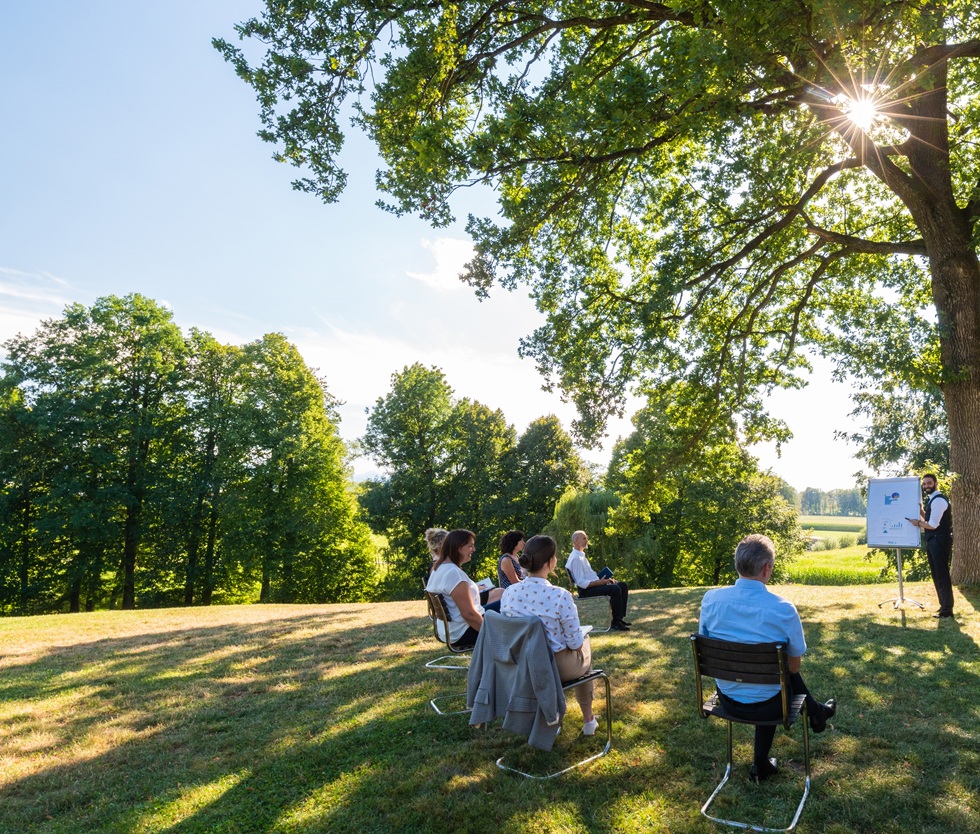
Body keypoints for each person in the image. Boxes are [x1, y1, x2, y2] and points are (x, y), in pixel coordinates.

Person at [699, 534, 837, 782]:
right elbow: (794, 667)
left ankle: (816, 713)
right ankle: (815, 714)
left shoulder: (711, 599)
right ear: (766, 568)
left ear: (737, 565)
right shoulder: (783, 608)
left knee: (772, 677)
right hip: (772, 705)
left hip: (727, 698)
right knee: (779, 677)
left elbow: (706, 644)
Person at [501, 535, 599, 735]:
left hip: (519, 666)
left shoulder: (509, 593)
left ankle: (549, 717)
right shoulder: (560, 595)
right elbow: (574, 642)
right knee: (585, 643)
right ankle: (588, 720)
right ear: (551, 562)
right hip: (554, 667)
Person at [425, 529, 503, 648]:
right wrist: (493, 634)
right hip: (463, 632)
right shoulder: (453, 573)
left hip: (451, 630)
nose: (474, 549)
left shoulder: (439, 568)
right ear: (458, 547)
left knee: (508, 601)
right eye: (470, 546)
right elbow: (469, 615)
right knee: (516, 623)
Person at [565, 530, 631, 631]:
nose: (587, 540)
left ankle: (619, 619)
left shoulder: (581, 555)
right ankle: (616, 623)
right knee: (615, 589)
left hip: (593, 585)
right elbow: (581, 583)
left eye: (586, 538)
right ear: (576, 541)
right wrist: (599, 583)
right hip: (585, 590)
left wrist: (604, 580)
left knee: (622, 585)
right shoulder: (576, 558)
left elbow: (589, 576)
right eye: (584, 538)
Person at [909, 473, 954, 618]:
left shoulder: (939, 501)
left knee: (941, 575)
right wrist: (922, 511)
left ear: (935, 483)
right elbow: (929, 519)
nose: (926, 486)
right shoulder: (932, 500)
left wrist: (918, 523)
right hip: (933, 541)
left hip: (939, 541)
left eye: (929, 483)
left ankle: (947, 610)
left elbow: (933, 525)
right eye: (924, 484)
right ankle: (943, 607)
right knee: (936, 574)